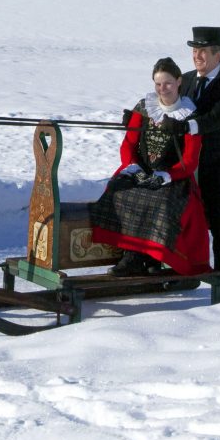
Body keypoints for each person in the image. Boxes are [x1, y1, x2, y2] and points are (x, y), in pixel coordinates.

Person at [87, 57, 210, 276]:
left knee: (161, 201)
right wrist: (133, 166)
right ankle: (132, 252)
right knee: (119, 191)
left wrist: (166, 175)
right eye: (158, 84)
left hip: (174, 177)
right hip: (141, 169)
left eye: (168, 83)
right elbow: (129, 144)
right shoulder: (144, 108)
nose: (163, 89)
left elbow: (190, 161)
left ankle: (144, 256)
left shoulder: (189, 116)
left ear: (179, 81)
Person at [180, 26, 220, 301]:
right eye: (194, 51)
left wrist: (187, 126)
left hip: (219, 169)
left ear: (218, 54)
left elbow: (217, 119)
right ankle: (178, 276)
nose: (197, 56)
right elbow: (162, 102)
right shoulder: (182, 81)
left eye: (203, 51)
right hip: (185, 168)